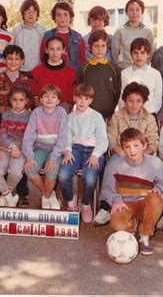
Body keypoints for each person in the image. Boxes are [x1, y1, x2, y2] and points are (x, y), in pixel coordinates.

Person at [94, 82, 159, 226]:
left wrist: (143, 154)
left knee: (155, 168)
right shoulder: (117, 116)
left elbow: (153, 140)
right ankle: (105, 206)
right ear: (125, 100)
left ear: (143, 102)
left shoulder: (149, 118)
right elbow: (111, 137)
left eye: (138, 101)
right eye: (130, 101)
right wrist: (120, 152)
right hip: (121, 152)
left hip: (143, 154)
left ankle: (156, 211)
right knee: (111, 166)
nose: (134, 104)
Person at [101, 128, 163, 255]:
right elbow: (107, 189)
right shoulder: (115, 165)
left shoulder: (155, 163)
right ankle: (130, 231)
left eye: (136, 145)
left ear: (144, 145)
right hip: (126, 203)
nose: (132, 150)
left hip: (145, 203)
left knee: (156, 198)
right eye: (127, 147)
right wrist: (116, 200)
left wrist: (158, 189)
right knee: (117, 224)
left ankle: (145, 234)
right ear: (122, 148)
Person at [58, 84, 108, 223]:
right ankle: (70, 200)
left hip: (93, 150)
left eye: (86, 98)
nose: (82, 101)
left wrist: (95, 155)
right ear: (74, 98)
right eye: (79, 98)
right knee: (63, 174)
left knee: (90, 176)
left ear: (90, 101)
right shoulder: (70, 117)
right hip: (76, 149)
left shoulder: (97, 116)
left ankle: (86, 204)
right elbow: (66, 137)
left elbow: (103, 140)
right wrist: (67, 151)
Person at [23, 84, 68, 210]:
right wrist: (30, 157)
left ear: (58, 101)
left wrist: (54, 158)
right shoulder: (36, 113)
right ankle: (48, 194)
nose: (49, 99)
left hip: (56, 149)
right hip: (40, 148)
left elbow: (63, 138)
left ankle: (46, 196)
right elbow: (28, 137)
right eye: (46, 96)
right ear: (41, 99)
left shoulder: (61, 112)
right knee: (30, 170)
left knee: (51, 171)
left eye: (53, 96)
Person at [0, 85, 33, 207]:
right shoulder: (5, 114)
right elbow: (2, 135)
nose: (18, 103)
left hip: (21, 150)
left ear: (26, 101)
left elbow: (29, 137)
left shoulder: (30, 116)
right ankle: (9, 197)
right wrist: (12, 146)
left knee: (16, 173)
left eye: (21, 100)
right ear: (10, 100)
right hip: (4, 148)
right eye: (14, 99)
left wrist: (17, 148)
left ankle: (4, 195)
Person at [78, 29, 121, 119]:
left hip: (109, 115)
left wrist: (112, 108)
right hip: (88, 115)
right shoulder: (83, 68)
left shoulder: (114, 68)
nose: (100, 49)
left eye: (103, 46)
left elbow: (118, 91)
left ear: (107, 47)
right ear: (90, 47)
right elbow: (79, 92)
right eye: (96, 46)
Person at [119, 38, 162, 117]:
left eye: (142, 53)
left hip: (149, 115)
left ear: (148, 54)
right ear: (131, 54)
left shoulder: (155, 74)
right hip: (129, 115)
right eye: (135, 53)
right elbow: (121, 97)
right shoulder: (124, 73)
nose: (139, 56)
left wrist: (150, 113)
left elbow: (158, 98)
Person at [32, 36, 76, 112]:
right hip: (42, 110)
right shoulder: (37, 71)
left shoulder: (71, 72)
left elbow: (71, 99)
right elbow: (35, 95)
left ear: (63, 50)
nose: (55, 53)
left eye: (58, 49)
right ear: (46, 50)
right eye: (52, 49)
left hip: (62, 110)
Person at [40, 2, 85, 73]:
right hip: (52, 75)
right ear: (54, 17)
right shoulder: (47, 36)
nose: (62, 17)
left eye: (65, 14)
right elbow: (42, 58)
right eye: (58, 14)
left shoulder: (78, 38)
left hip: (73, 78)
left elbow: (82, 61)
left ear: (70, 17)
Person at [112, 0, 154, 70]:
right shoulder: (120, 30)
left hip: (142, 70)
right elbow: (115, 52)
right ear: (126, 12)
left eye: (137, 10)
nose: (134, 12)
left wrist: (142, 66)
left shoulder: (148, 31)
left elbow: (151, 52)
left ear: (142, 12)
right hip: (124, 69)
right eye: (131, 10)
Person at [0, 44, 34, 113]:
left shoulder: (28, 81)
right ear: (4, 60)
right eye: (10, 58)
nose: (13, 62)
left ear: (22, 61)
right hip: (1, 119)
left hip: (22, 120)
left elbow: (31, 103)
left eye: (17, 59)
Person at [11, 0, 46, 73]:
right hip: (19, 70)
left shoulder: (42, 30)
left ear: (37, 14)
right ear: (23, 13)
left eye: (34, 11)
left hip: (37, 70)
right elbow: (11, 50)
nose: (31, 14)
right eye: (28, 11)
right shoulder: (17, 30)